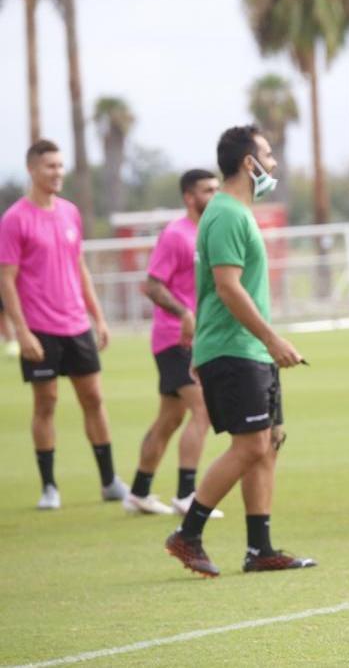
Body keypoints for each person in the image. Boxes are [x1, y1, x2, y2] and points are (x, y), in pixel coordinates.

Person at [164, 125, 314, 577]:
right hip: (236, 348)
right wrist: (272, 339)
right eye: (267, 154)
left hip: (245, 348)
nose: (274, 163)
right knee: (250, 445)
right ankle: (187, 534)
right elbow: (227, 288)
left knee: (267, 443)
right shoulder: (228, 213)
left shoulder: (235, 212)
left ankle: (260, 549)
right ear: (248, 163)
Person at [0, 139, 128, 510]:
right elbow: (6, 279)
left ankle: (109, 481)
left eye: (59, 165)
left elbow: (80, 268)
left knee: (94, 399)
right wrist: (21, 331)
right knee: (46, 402)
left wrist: (98, 316)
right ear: (32, 170)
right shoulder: (14, 220)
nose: (57, 173)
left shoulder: (71, 212)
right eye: (49, 166)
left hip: (76, 325)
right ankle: (49, 487)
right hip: (39, 328)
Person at [123, 170, 225, 518]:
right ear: (189, 197)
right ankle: (186, 494)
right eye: (207, 190)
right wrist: (184, 313)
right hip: (175, 338)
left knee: (169, 419)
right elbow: (152, 285)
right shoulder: (175, 235)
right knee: (204, 410)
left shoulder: (211, 232)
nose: (215, 194)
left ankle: (138, 491)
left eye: (217, 188)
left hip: (199, 338)